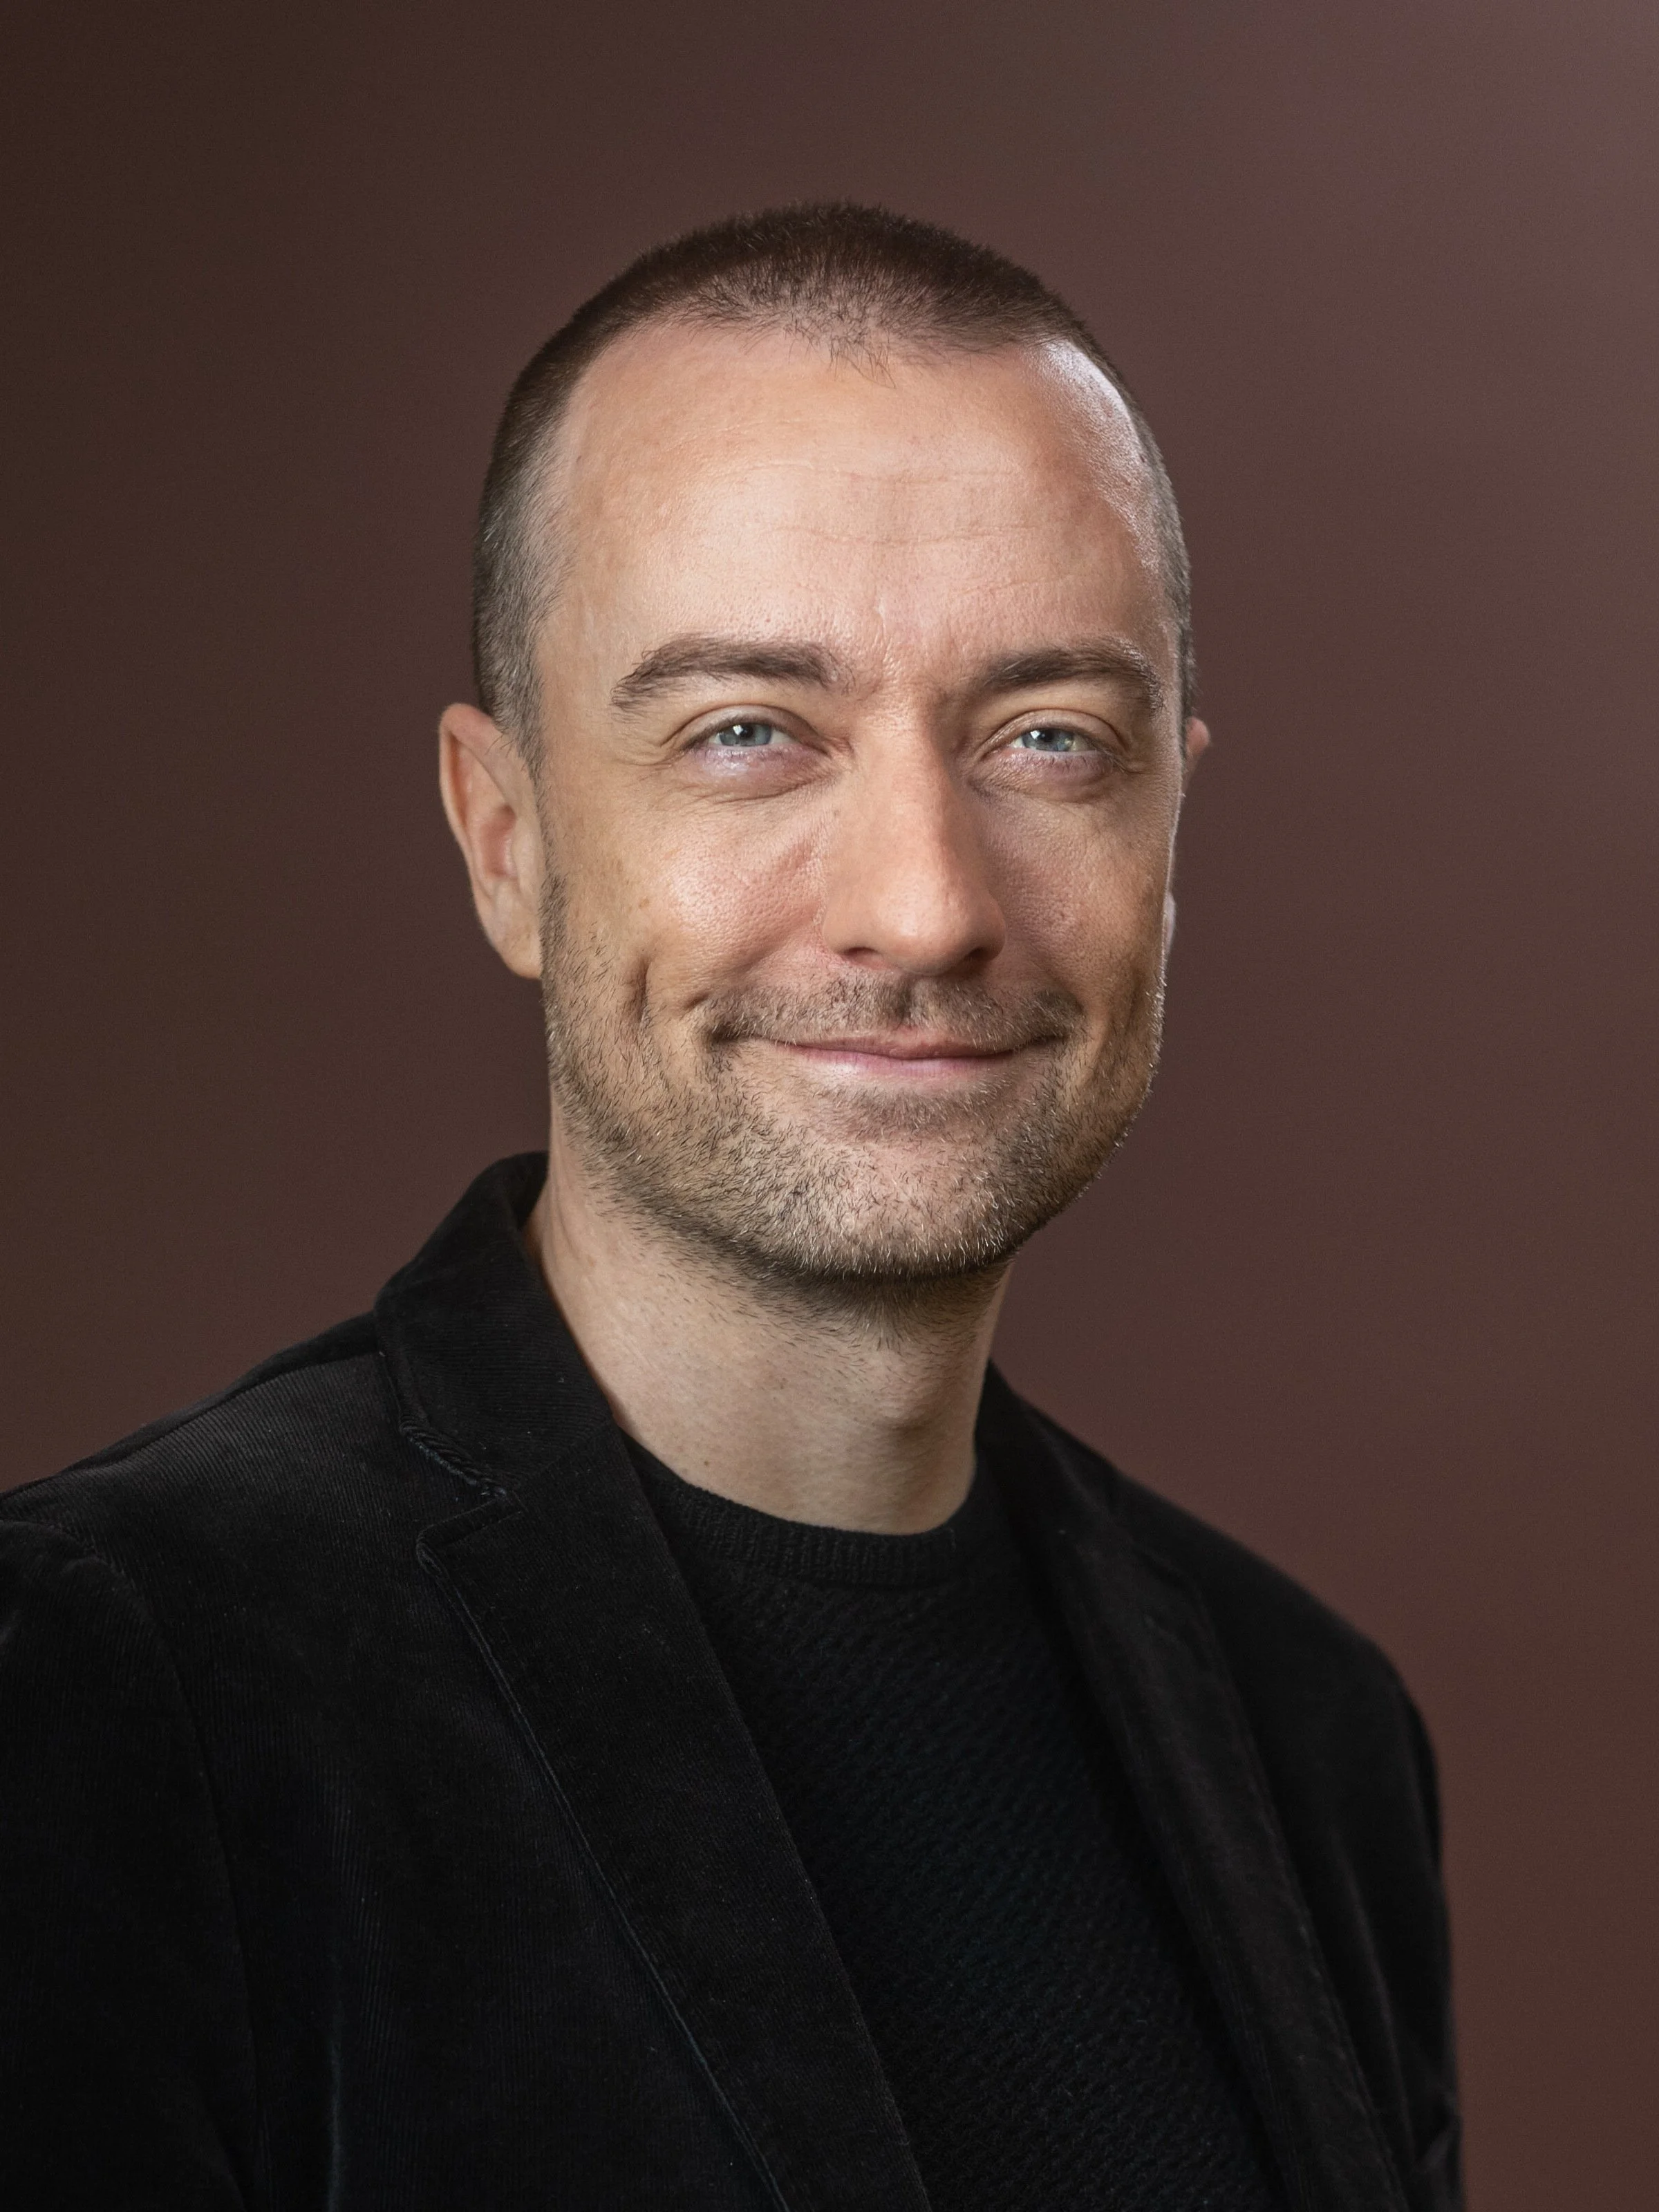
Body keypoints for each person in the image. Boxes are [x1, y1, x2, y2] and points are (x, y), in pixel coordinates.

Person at [0, 205, 1459, 2211]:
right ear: (507, 842)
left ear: (1172, 822)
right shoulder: (108, 1689)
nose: (924, 906)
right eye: (748, 735)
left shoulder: (1315, 1742)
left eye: (1049, 740)